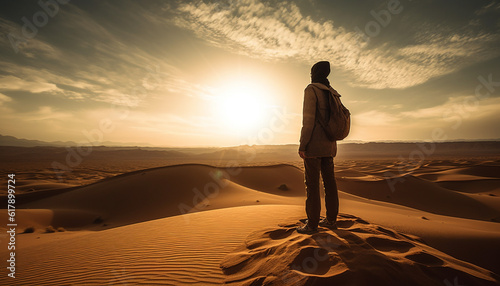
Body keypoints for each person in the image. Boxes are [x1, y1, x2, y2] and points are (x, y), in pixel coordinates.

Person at [297, 61, 339, 234]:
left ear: (314, 73)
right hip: (329, 146)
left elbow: (308, 121)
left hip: (314, 147)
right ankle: (331, 220)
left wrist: (302, 145)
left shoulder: (311, 89)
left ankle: (312, 224)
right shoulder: (333, 93)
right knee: (330, 183)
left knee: (312, 185)